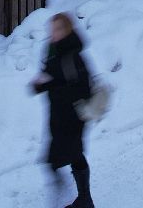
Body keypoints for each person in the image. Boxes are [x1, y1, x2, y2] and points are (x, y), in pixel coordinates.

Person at [31, 12, 94, 208]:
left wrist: (54, 86)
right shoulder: (52, 50)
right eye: (51, 29)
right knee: (62, 156)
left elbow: (84, 90)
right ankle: (80, 197)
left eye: (58, 29)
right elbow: (49, 76)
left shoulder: (74, 55)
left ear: (67, 29)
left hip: (74, 116)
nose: (53, 33)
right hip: (57, 115)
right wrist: (39, 85)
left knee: (67, 155)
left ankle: (81, 198)